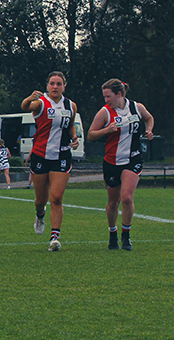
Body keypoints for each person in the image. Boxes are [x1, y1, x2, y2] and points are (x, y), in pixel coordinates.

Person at [86, 78, 154, 251]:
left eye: (108, 96)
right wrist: (106, 130)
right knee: (113, 202)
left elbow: (149, 118)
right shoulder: (105, 112)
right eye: (104, 97)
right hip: (112, 161)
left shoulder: (136, 107)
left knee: (127, 198)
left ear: (119, 94)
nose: (106, 100)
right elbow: (91, 135)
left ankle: (126, 235)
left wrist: (149, 130)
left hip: (132, 159)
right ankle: (112, 233)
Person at [21, 71, 79, 251]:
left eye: (59, 84)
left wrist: (75, 137)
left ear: (64, 87)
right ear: (47, 86)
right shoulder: (41, 103)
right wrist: (29, 97)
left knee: (57, 197)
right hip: (40, 155)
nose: (55, 87)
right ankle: (40, 214)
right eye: (52, 83)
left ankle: (55, 237)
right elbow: (25, 106)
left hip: (62, 155)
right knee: (41, 199)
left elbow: (70, 126)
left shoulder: (70, 105)